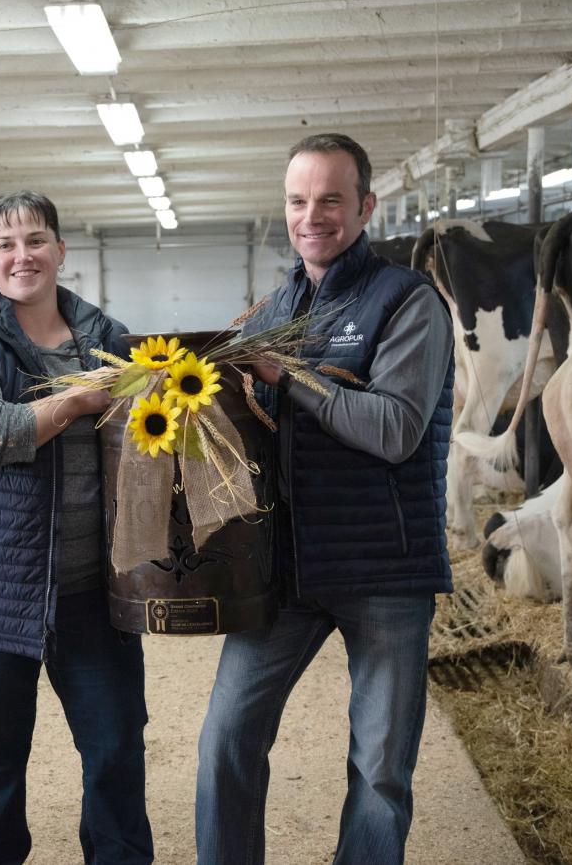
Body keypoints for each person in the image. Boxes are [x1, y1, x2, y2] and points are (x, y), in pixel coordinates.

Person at [195, 134, 455, 864]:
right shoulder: (274, 307)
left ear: (366, 206)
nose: (313, 216)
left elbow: (396, 428)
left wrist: (288, 376)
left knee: (378, 770)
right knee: (227, 735)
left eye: (331, 199)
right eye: (299, 201)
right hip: (289, 572)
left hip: (386, 572)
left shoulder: (408, 301)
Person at [0, 191, 153, 865]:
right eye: (8, 244)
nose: (24, 256)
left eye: (37, 240)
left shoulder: (108, 336)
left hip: (89, 593)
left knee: (116, 747)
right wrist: (77, 401)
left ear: (60, 251)